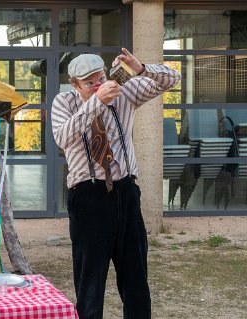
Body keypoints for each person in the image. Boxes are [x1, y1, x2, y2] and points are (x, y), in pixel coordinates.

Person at [51, 48, 181, 319]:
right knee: (90, 283)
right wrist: (96, 101)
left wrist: (140, 67)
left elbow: (172, 79)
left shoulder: (124, 92)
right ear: (74, 84)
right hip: (88, 197)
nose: (98, 85)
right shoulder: (64, 102)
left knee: (135, 279)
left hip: (126, 193)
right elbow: (63, 138)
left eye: (100, 78)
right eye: (89, 82)